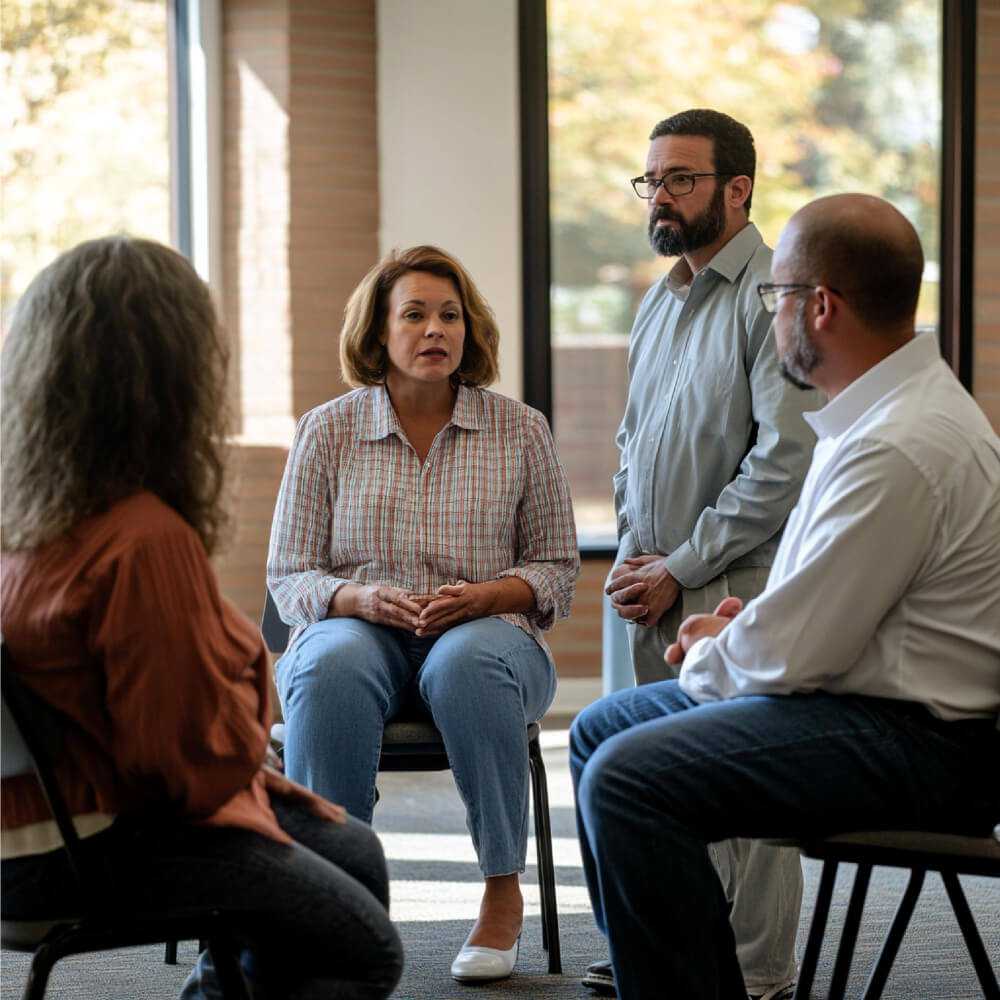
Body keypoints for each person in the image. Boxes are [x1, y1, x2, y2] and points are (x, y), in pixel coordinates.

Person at [571, 193, 1000, 1000]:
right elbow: (827, 610)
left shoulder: (900, 444)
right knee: (600, 729)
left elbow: (794, 653)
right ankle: (676, 970)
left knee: (630, 778)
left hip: (927, 746)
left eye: (777, 297)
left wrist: (712, 650)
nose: (771, 319)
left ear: (821, 307)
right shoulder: (879, 418)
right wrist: (745, 626)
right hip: (873, 704)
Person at [0, 236, 403, 1000]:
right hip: (95, 843)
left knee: (353, 850)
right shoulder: (144, 540)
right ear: (172, 380)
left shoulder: (25, 524)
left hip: (29, 833)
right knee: (364, 951)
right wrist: (253, 751)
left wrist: (258, 776)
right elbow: (187, 769)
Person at [266, 244, 580, 984]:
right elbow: (289, 575)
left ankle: (502, 895)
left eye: (450, 314)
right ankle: (336, 895)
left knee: (468, 660)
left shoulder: (520, 430)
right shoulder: (327, 429)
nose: (436, 329)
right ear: (378, 332)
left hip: (487, 638)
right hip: (359, 630)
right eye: (415, 314)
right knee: (332, 660)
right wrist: (357, 597)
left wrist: (489, 595)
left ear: (470, 329)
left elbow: (557, 568)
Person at [590, 108, 821, 999]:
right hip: (654, 582)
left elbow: (784, 462)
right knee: (650, 785)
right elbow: (633, 438)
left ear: (737, 188)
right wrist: (636, 556)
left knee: (748, 803)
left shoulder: (778, 293)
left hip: (736, 583)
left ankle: (759, 977)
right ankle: (665, 956)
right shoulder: (659, 299)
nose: (660, 198)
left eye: (680, 179)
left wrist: (680, 565)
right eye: (652, 180)